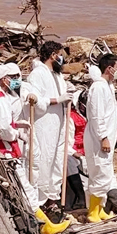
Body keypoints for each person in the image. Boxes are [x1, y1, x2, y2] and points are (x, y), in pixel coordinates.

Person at [0, 64, 70, 234]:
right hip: (5, 150)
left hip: (0, 149)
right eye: (14, 77)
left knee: (24, 188)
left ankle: (43, 224)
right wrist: (16, 133)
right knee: (26, 190)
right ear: (4, 79)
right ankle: (45, 228)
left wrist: (17, 125)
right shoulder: (0, 99)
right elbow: (2, 129)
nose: (17, 80)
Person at [26, 41, 73, 205]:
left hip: (58, 124)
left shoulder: (57, 75)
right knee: (44, 160)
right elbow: (35, 101)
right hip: (44, 125)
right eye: (60, 55)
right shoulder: (37, 74)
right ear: (53, 55)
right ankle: (40, 201)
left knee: (57, 160)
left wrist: (68, 96)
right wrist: (56, 100)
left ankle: (54, 199)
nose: (62, 59)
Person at [84, 54, 117, 223]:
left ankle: (99, 209)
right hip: (99, 139)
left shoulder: (107, 86)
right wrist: (103, 137)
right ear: (109, 68)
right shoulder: (98, 87)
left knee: (105, 173)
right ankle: (92, 212)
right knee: (100, 172)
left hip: (107, 138)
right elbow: (96, 115)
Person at [65, 90, 88, 211]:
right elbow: (67, 142)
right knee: (69, 162)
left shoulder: (92, 117)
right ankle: (80, 197)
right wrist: (74, 153)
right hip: (74, 152)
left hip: (89, 152)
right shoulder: (71, 117)